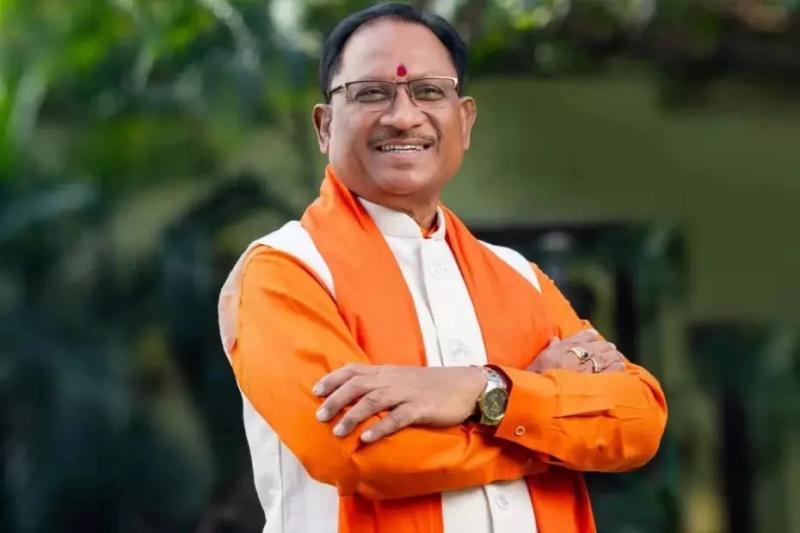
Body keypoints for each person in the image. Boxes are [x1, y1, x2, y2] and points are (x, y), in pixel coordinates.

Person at [217, 3, 667, 533]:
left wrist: (479, 389)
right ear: (325, 125)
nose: (403, 116)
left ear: (465, 120)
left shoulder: (516, 275)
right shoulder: (286, 272)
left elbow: (637, 420)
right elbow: (362, 454)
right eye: (371, 92)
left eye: (429, 91)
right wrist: (541, 422)